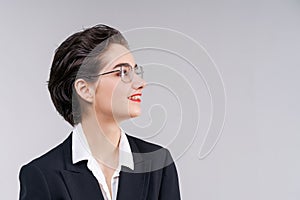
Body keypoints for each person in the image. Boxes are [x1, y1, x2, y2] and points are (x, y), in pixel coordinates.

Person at [18, 24, 181, 200]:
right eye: (122, 72)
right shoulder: (42, 175)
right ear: (84, 89)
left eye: (135, 70)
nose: (140, 82)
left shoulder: (159, 165)